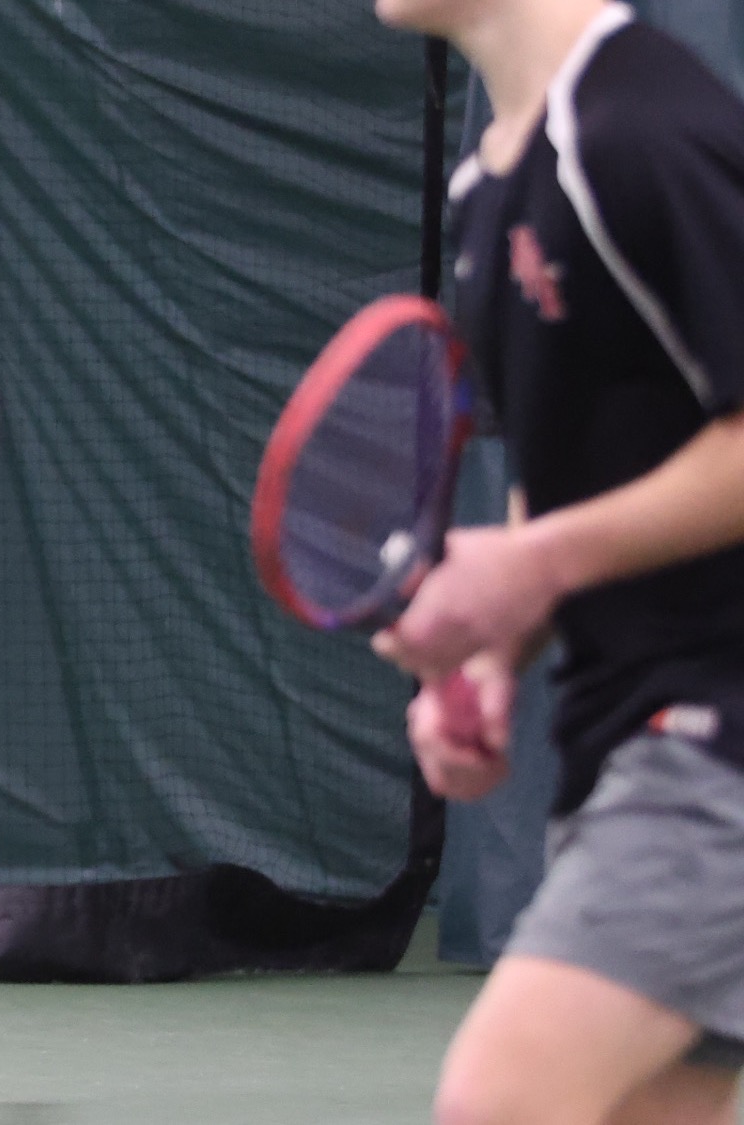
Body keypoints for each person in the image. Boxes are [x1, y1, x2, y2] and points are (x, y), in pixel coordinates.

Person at [369, 1, 744, 1122]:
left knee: (498, 1103)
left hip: (711, 748)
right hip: (621, 731)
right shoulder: (489, 186)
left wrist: (526, 564)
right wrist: (491, 657)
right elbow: (570, 460)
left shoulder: (640, 132)